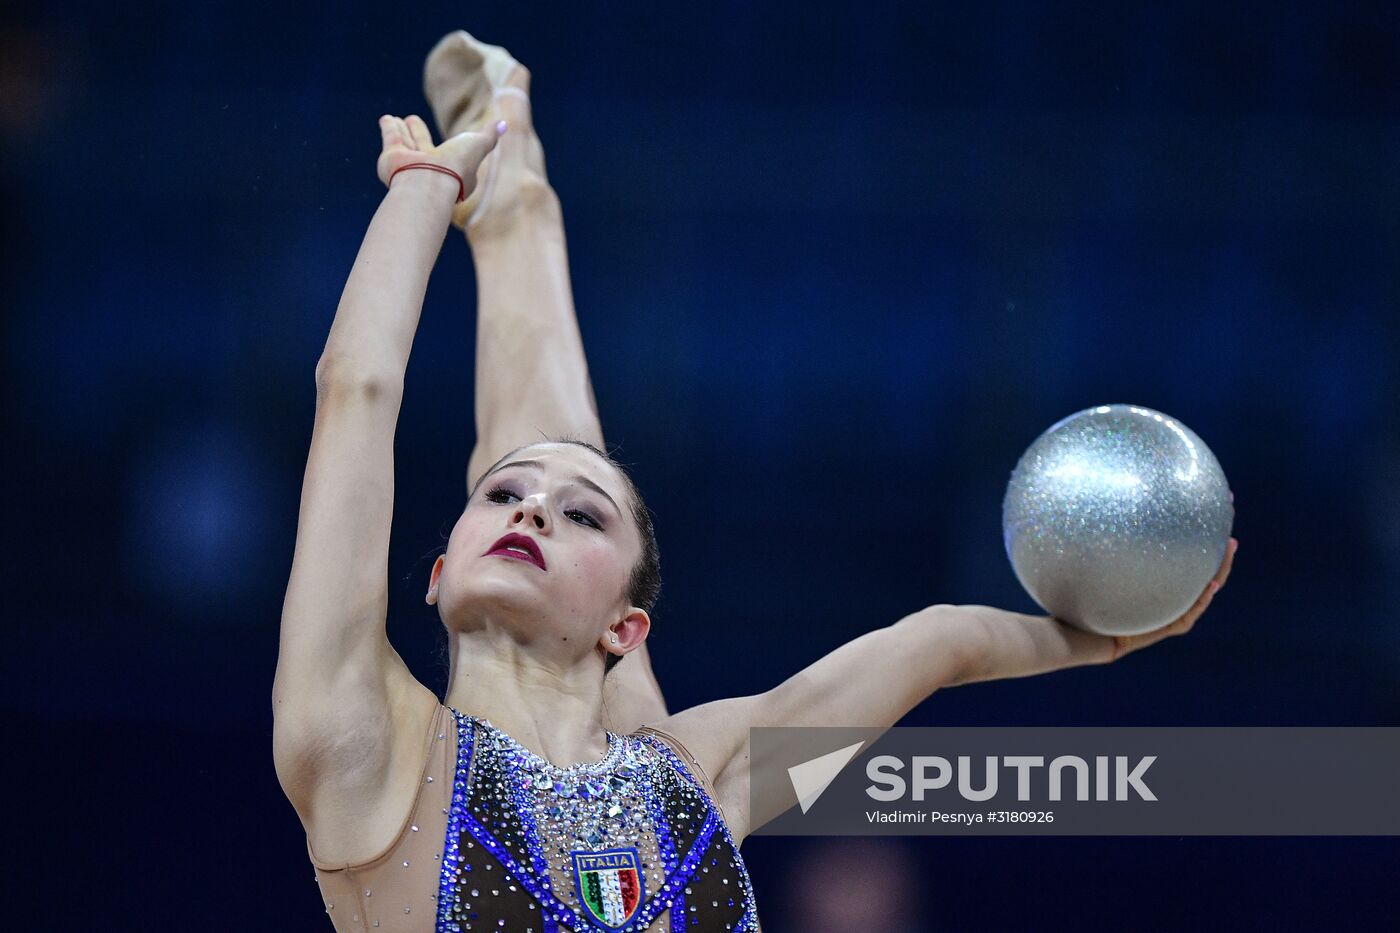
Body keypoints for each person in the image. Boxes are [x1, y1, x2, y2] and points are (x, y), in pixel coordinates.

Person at [272, 31, 1238, 933]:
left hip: (629, 718)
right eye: (499, 498)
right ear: (436, 573)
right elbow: (354, 395)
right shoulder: (370, 747)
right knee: (562, 454)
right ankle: (513, 199)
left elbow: (939, 640)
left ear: (626, 624)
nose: (527, 507)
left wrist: (1102, 638)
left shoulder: (692, 775)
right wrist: (422, 193)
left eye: (579, 518)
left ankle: (520, 204)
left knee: (566, 466)